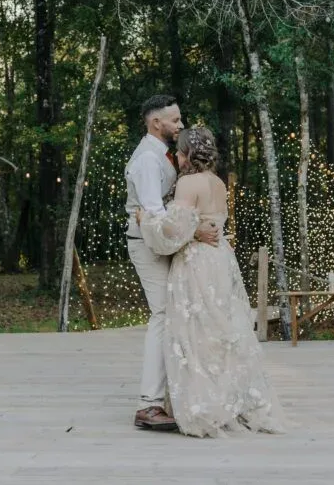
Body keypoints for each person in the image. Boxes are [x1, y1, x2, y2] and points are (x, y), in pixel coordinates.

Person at [138, 126, 285, 437]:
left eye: (179, 152)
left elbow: (172, 234)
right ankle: (228, 400)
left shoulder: (188, 183)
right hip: (220, 260)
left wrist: (146, 221)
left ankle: (203, 405)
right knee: (221, 331)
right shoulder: (218, 183)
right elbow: (205, 222)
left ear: (189, 154)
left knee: (194, 332)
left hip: (195, 263)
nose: (176, 157)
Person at [125, 95, 219, 431]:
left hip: (165, 241)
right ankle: (148, 405)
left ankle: (170, 396)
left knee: (176, 312)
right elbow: (155, 215)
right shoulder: (148, 161)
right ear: (156, 123)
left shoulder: (162, 155)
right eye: (175, 120)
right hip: (148, 244)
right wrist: (194, 233)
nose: (180, 125)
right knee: (163, 314)